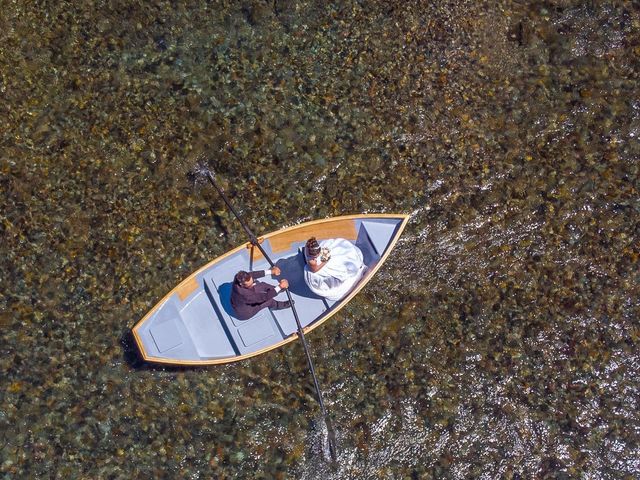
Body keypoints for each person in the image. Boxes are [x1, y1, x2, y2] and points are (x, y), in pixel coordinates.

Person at [303, 237, 366, 301]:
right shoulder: (312, 262)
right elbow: (315, 270)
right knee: (337, 268)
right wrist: (325, 262)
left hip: (317, 257)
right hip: (317, 268)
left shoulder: (308, 245)